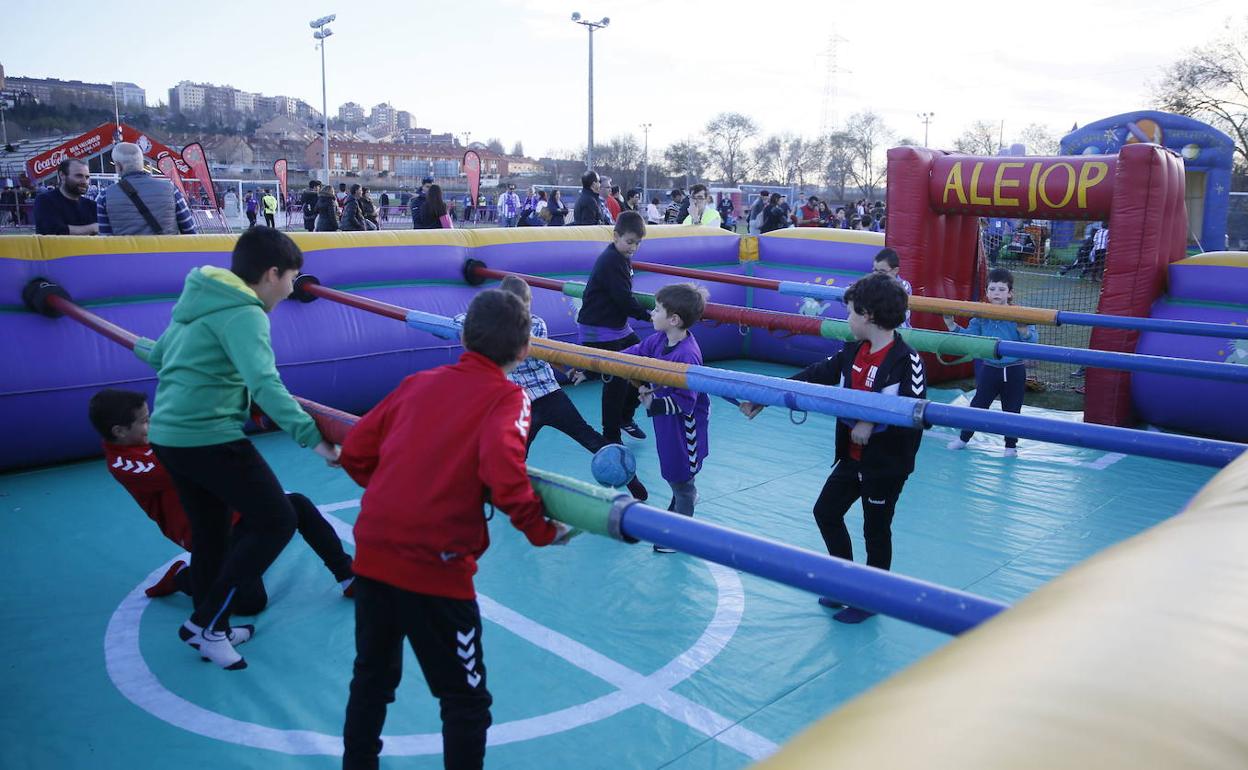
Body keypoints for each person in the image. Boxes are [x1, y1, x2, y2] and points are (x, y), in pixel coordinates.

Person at [339, 288, 577, 770]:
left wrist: (396, 491)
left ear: (464, 338)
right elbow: (504, 473)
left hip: (375, 550)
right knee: (465, 700)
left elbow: (358, 449)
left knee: (371, 679)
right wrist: (542, 530)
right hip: (436, 567)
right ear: (524, 348)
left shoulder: (417, 383)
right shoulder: (508, 397)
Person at [133, 227, 341, 669]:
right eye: (291, 278)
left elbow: (160, 357)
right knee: (277, 519)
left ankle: (213, 629)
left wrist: (136, 343)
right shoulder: (246, 315)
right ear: (271, 273)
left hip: (170, 438)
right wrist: (315, 439)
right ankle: (207, 625)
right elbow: (265, 384)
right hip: (209, 436)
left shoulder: (197, 303)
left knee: (211, 535)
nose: (289, 290)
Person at [739, 273, 927, 624]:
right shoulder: (852, 350)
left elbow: (914, 412)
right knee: (826, 512)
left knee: (876, 529)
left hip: (885, 465)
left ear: (868, 314)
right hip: (851, 457)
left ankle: (873, 596)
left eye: (851, 312)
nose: (847, 319)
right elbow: (816, 374)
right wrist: (764, 398)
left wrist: (871, 421)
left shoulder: (907, 360)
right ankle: (845, 582)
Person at [87, 388, 355, 608]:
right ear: (119, 431)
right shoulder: (126, 465)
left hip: (233, 513)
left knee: (297, 504)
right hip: (207, 533)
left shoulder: (160, 434)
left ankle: (347, 575)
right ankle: (184, 578)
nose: (152, 423)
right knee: (251, 602)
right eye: (144, 421)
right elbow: (190, 462)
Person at [490, 276, 647, 498]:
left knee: (582, 436)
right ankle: (508, 488)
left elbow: (544, 355)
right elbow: (541, 354)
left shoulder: (509, 327)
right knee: (523, 449)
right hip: (536, 399)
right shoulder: (529, 324)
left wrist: (567, 370)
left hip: (539, 397)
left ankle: (630, 478)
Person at [623, 283, 711, 552]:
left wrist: (653, 401)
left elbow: (686, 403)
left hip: (685, 426)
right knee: (673, 473)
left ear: (674, 319)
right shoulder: (659, 340)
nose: (651, 312)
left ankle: (681, 534)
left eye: (657, 309)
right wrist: (603, 361)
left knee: (682, 479)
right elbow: (634, 354)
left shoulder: (687, 355)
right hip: (664, 421)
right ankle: (681, 505)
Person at [943, 267, 1037, 456]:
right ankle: (963, 438)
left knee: (1012, 409)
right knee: (978, 405)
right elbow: (970, 338)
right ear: (986, 292)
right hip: (991, 369)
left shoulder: (1020, 314)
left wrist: (1023, 330)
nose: (996, 293)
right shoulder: (980, 314)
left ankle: (1010, 446)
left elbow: (1033, 341)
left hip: (1014, 370)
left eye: (1002, 289)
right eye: (992, 289)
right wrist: (951, 325)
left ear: (1010, 293)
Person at [576, 210, 651, 444]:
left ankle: (624, 417)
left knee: (647, 366)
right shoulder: (611, 261)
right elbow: (623, 298)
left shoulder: (622, 258)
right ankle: (611, 436)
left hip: (617, 327)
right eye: (629, 242)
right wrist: (649, 316)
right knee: (616, 381)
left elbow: (623, 297)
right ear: (615, 236)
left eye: (638, 243)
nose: (633, 248)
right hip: (597, 329)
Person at [97, 142, 197, 235]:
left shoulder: (104, 196)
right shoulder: (171, 190)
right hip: (165, 252)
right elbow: (190, 231)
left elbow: (105, 239)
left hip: (126, 253)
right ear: (142, 162)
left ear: (118, 166)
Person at [33, 158, 99, 235]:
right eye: (79, 176)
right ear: (62, 175)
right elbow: (52, 231)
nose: (84, 181)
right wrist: (93, 228)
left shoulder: (91, 205)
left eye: (87, 177)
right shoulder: (45, 200)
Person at [872, 248, 913, 328]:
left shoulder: (903, 286)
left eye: (881, 272)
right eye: (875, 270)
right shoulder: (872, 283)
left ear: (895, 270)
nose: (877, 275)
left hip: (900, 331)